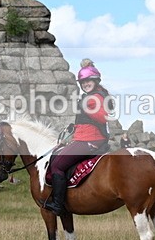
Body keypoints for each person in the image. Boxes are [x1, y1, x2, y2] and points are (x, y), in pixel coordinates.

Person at [45, 59, 113, 215]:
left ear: (95, 81)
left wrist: (87, 109)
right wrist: (70, 134)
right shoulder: (92, 96)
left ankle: (58, 204)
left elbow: (102, 117)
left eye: (89, 80)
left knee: (57, 166)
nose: (86, 83)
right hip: (84, 138)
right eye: (83, 82)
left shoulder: (94, 98)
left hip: (90, 140)